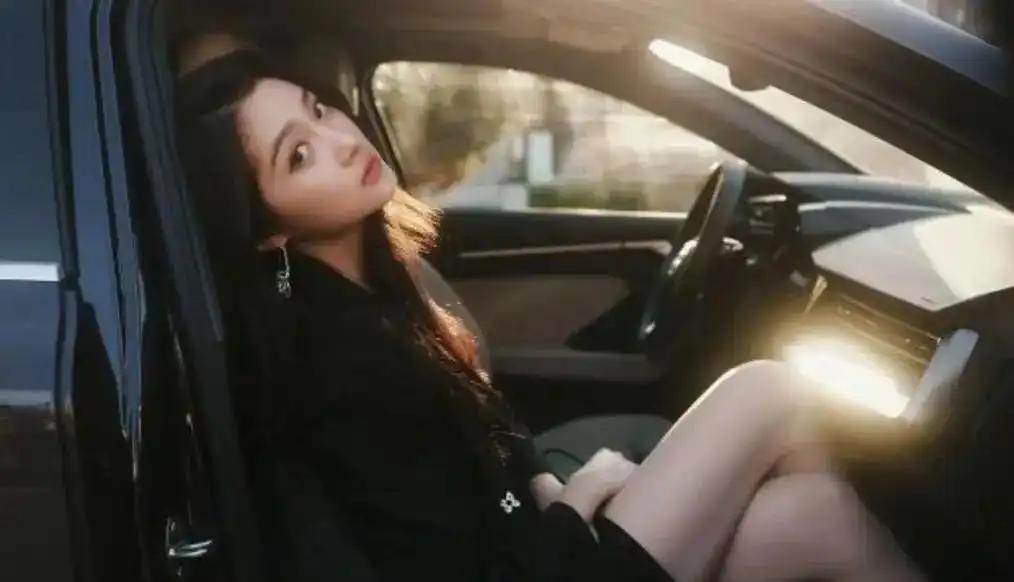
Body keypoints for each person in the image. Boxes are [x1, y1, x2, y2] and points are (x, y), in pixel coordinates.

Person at [175, 48, 926, 582]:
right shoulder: (334, 361)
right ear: (266, 229)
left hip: (538, 543)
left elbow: (479, 442)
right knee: (771, 389)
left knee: (818, 512)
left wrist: (538, 481)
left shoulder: (372, 287)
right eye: (298, 155)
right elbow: (455, 562)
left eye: (319, 110)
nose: (341, 140)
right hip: (539, 567)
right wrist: (581, 495)